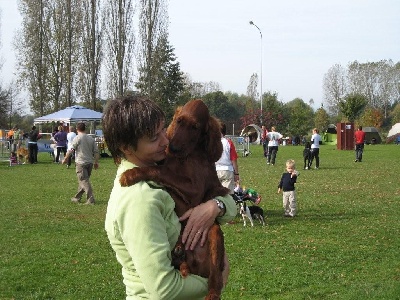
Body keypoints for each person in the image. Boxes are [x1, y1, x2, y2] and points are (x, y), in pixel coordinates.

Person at [102, 95, 236, 299]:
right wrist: (217, 280)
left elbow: (226, 203)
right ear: (126, 147)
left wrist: (214, 206)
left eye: (164, 129)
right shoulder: (140, 199)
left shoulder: (160, 168)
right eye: (154, 138)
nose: (167, 141)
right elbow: (163, 289)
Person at [62, 122, 99, 205]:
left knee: (84, 181)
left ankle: (90, 200)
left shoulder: (77, 138)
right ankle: (77, 198)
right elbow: (96, 152)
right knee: (83, 180)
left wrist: (65, 158)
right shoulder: (91, 139)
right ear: (85, 129)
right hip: (89, 162)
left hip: (81, 162)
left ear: (77, 129)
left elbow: (71, 150)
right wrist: (96, 162)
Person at [216, 122, 239, 194]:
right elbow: (234, 160)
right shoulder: (228, 143)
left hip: (214, 171)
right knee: (226, 196)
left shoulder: (211, 143)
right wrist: (236, 174)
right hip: (227, 171)